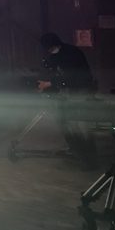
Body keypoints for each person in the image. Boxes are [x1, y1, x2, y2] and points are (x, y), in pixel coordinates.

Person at [38, 33, 97, 166]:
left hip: (80, 89)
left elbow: (70, 76)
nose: (49, 51)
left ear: (55, 45)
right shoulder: (55, 54)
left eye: (50, 48)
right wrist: (46, 82)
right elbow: (55, 73)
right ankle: (78, 152)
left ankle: (89, 160)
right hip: (68, 91)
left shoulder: (71, 53)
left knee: (81, 125)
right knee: (67, 123)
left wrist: (49, 84)